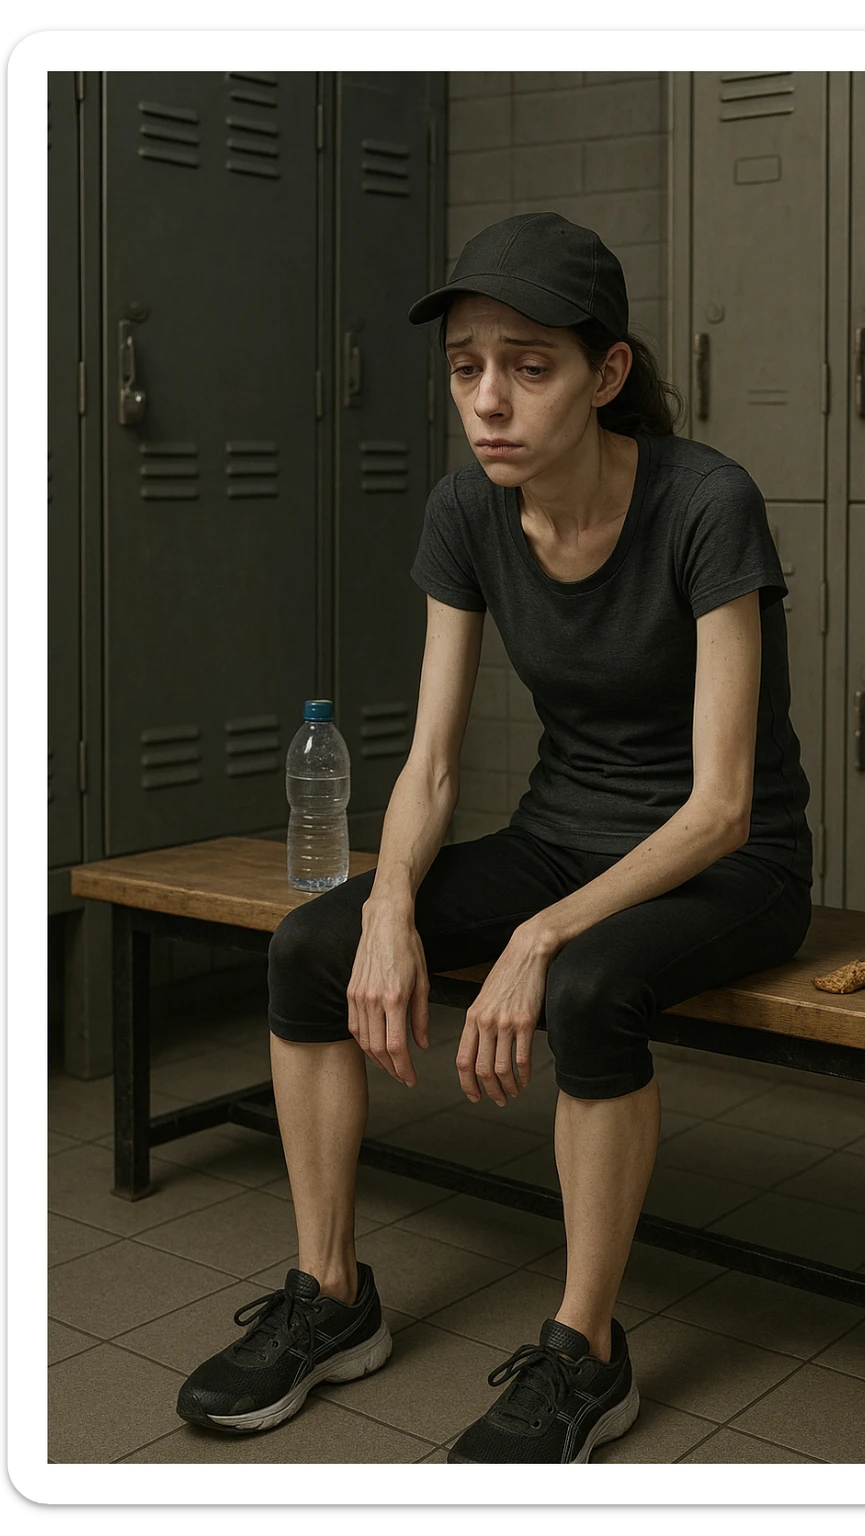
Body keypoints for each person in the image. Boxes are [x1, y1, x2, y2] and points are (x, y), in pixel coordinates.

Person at [176, 212, 814, 1464]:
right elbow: (431, 762)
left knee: (586, 985)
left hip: (728, 868)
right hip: (561, 837)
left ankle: (584, 1354)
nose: (489, 401)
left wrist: (542, 930)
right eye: (468, 367)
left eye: (529, 366)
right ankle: (331, 1296)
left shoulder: (705, 503)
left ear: (606, 375)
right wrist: (387, 905)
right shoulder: (468, 509)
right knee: (311, 945)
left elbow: (723, 804)